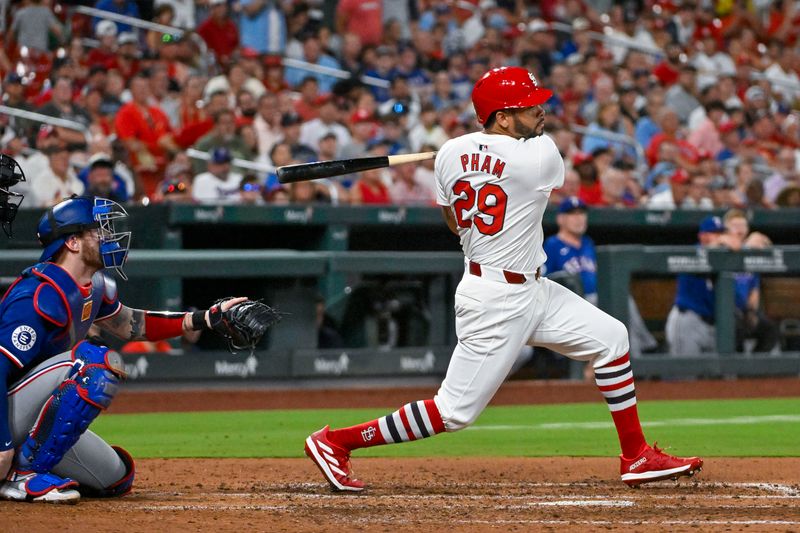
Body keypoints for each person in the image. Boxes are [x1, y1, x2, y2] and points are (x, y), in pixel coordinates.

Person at [304, 67, 702, 492]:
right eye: (527, 107)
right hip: (495, 299)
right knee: (454, 412)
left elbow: (454, 223)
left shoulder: (449, 155)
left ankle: (636, 456)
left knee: (611, 339)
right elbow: (515, 169)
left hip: (531, 287)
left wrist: (462, 159)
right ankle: (336, 442)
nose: (540, 111)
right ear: (503, 118)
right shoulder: (541, 155)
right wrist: (480, 160)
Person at [0, 195, 257, 503]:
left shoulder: (94, 287)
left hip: (30, 416)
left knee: (116, 477)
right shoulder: (38, 294)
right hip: (5, 419)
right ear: (72, 242)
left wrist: (206, 318)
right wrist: (2, 446)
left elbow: (133, 323)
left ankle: (27, 464)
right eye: (98, 229)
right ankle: (21, 475)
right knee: (95, 364)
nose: (108, 237)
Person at [541, 197, 657, 357]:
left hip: (595, 302)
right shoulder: (552, 244)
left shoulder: (588, 243)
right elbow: (545, 280)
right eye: (572, 214)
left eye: (581, 213)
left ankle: (638, 355)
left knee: (621, 301)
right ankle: (644, 348)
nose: (579, 218)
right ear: (561, 219)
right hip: (571, 305)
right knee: (615, 304)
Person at [665, 216, 728, 356]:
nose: (720, 238)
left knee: (718, 376)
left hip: (713, 326)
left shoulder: (725, 259)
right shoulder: (693, 253)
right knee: (684, 375)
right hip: (688, 321)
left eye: (721, 234)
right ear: (702, 236)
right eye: (715, 233)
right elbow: (705, 255)